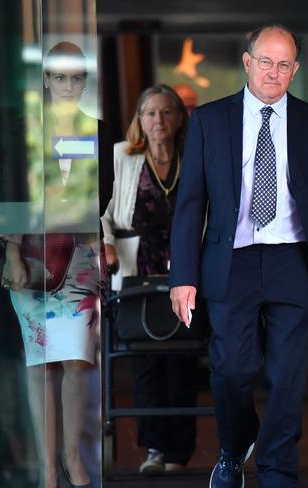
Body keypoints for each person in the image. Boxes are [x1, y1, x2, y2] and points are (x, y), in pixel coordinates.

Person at [169, 24, 308, 488]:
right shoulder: (211, 120)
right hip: (232, 262)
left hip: (293, 260)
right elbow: (191, 202)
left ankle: (277, 471)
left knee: (287, 375)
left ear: (296, 70)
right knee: (232, 369)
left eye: (284, 63)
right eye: (265, 61)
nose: (274, 72)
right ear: (247, 63)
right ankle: (234, 446)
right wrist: (183, 276)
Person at [0, 42, 100, 488]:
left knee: (77, 358)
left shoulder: (94, 130)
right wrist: (11, 251)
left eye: (76, 77)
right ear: (45, 79)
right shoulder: (24, 129)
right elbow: (9, 195)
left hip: (79, 256)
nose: (67, 85)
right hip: (33, 256)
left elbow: (104, 199)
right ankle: (46, 472)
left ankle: (73, 459)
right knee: (42, 362)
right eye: (59, 77)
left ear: (84, 81)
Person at [101, 84, 198, 474]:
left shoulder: (193, 156)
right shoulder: (122, 157)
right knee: (145, 361)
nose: (158, 120)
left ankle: (179, 452)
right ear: (140, 120)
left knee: (182, 361)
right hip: (136, 269)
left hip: (185, 271)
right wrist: (106, 244)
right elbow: (102, 210)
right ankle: (154, 449)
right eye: (150, 113)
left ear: (178, 118)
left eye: (165, 112)